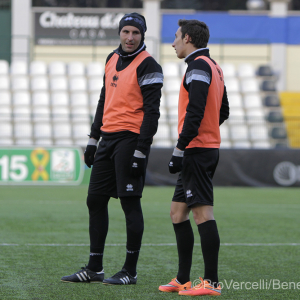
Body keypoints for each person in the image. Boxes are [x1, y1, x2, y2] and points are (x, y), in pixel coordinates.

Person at [61, 12, 163, 285]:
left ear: (142, 36)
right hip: (107, 139)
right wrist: (93, 140)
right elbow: (103, 99)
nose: (130, 38)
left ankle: (130, 271)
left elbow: (152, 114)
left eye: (136, 33)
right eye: (126, 32)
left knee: (130, 205)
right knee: (94, 200)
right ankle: (95, 268)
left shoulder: (149, 65)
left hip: (131, 140)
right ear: (119, 33)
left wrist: (142, 151)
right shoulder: (111, 59)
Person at [158, 19, 229, 296]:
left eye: (176, 37)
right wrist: (208, 132)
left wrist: (181, 148)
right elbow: (223, 110)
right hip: (203, 147)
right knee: (178, 213)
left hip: (197, 150)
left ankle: (211, 282)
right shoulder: (214, 67)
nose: (173, 42)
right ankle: (182, 278)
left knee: (202, 214)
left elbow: (196, 112)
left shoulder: (198, 66)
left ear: (188, 38)